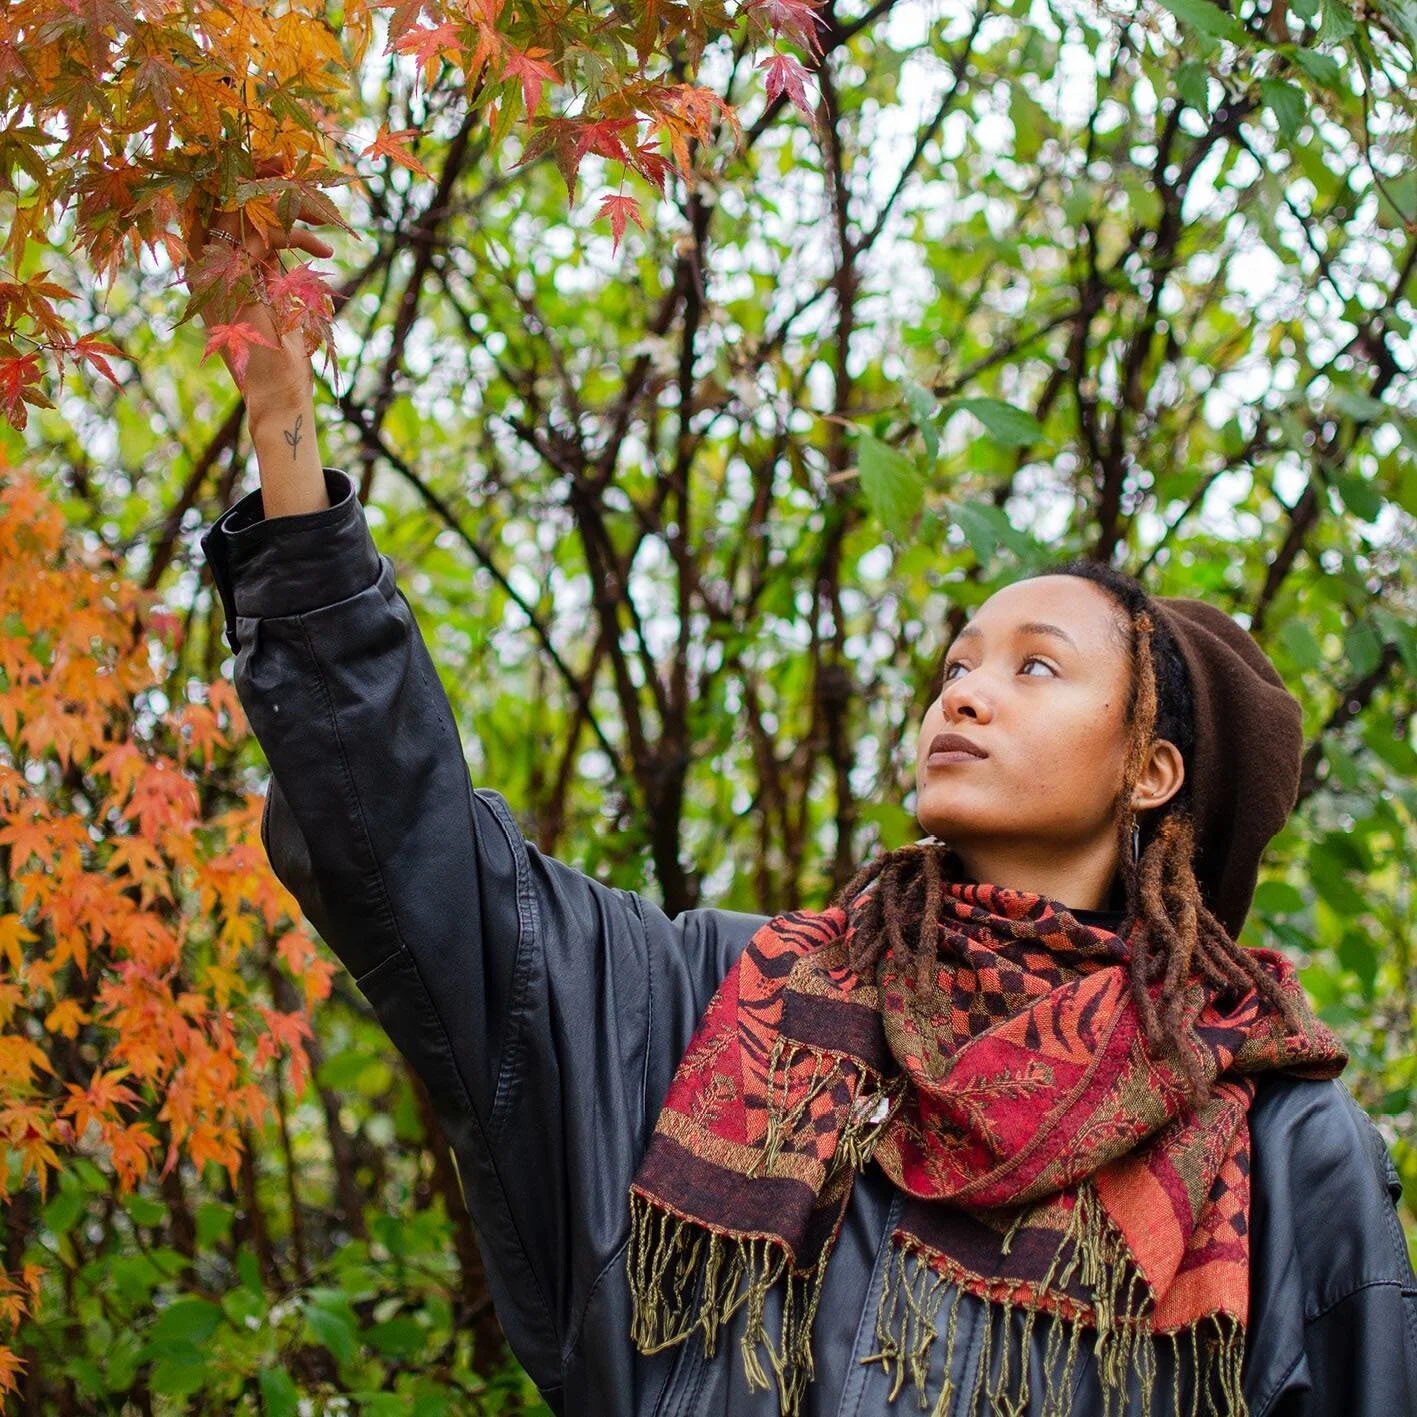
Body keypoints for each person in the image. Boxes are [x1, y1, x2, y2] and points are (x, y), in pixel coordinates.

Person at [191, 209, 1417, 1417]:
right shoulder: (719, 995)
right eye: (956, 666)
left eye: (1033, 667)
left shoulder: (1281, 1151)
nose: (967, 695)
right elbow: (420, 866)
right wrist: (286, 435)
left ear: (1151, 773)